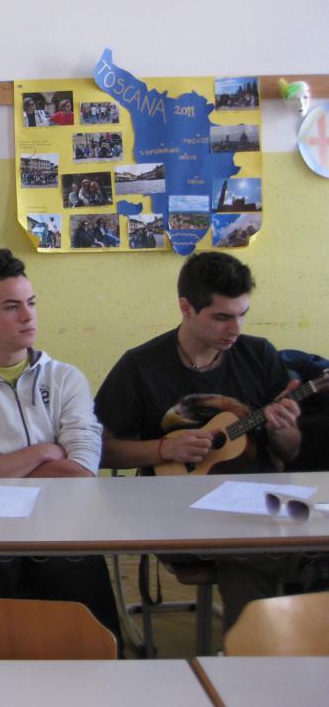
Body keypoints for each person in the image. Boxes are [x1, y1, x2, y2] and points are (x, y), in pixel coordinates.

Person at [95, 251, 315, 628]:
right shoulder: (141, 366)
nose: (235, 328)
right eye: (222, 317)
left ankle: (257, 653)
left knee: (246, 564)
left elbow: (289, 451)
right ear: (186, 308)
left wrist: (283, 428)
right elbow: (99, 450)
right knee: (269, 548)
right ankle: (309, 570)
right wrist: (161, 448)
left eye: (242, 314)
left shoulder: (259, 354)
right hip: (178, 510)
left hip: (258, 503)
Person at [0, 249, 120, 642]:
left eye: (31, 303)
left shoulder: (66, 379)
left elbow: (82, 470)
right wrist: (43, 452)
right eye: (12, 307)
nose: (28, 316)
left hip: (61, 521)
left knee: (74, 574)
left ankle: (91, 668)